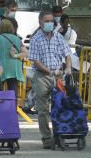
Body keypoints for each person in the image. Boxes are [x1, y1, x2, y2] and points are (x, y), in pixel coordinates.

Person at [28, 10, 73, 150]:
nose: (49, 23)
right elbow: (35, 61)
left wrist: (68, 68)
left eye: (51, 21)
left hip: (58, 75)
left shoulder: (58, 37)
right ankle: (46, 138)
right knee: (42, 109)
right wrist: (49, 71)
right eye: (46, 21)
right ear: (40, 22)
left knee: (59, 106)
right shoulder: (36, 39)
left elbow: (67, 54)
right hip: (42, 76)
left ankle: (59, 134)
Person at [0, 18, 26, 93]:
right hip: (14, 68)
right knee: (13, 90)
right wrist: (15, 55)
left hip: (0, 67)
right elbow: (25, 53)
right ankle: (12, 103)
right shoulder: (17, 39)